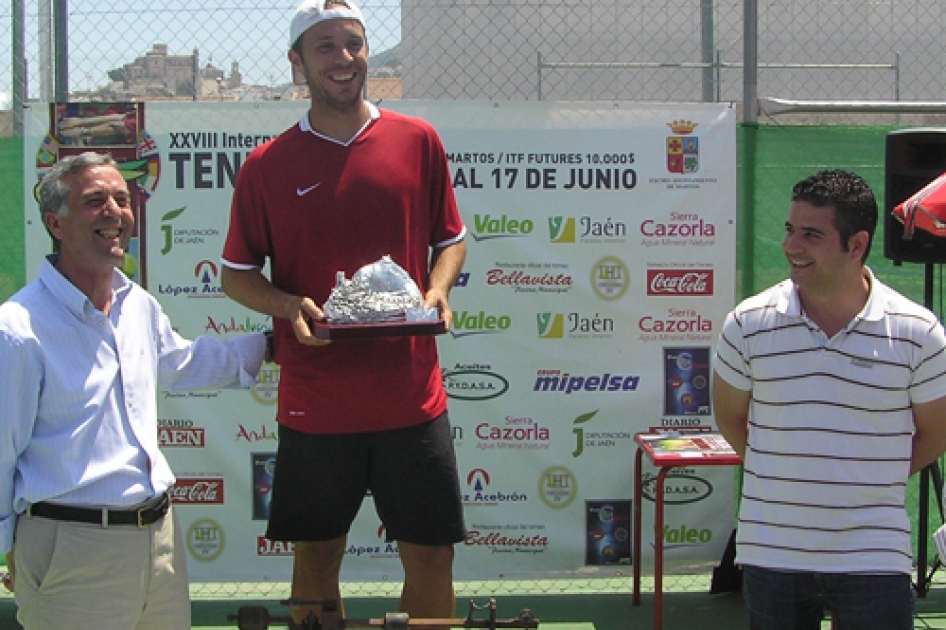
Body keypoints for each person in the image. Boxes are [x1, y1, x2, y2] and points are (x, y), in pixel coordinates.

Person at [219, 0, 468, 626]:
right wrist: (286, 306)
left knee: (432, 558)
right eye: (325, 46)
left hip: (412, 399)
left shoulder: (417, 140)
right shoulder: (266, 165)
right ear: (297, 61)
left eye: (354, 43)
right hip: (317, 401)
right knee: (318, 553)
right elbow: (236, 274)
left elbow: (451, 240)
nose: (345, 58)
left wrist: (438, 290)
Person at [0, 152, 269, 630]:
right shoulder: (18, 328)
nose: (115, 211)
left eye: (122, 199)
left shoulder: (136, 304)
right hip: (73, 548)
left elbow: (184, 365)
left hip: (159, 543)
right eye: (94, 201)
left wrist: (273, 345)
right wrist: (8, 548)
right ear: (54, 223)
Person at [713, 169, 946, 630]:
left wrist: (865, 479)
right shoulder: (747, 324)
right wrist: (791, 474)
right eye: (789, 230)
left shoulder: (919, 333)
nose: (791, 246)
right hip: (773, 554)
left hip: (875, 556)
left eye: (811, 235)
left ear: (856, 245)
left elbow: (936, 433)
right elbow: (733, 423)